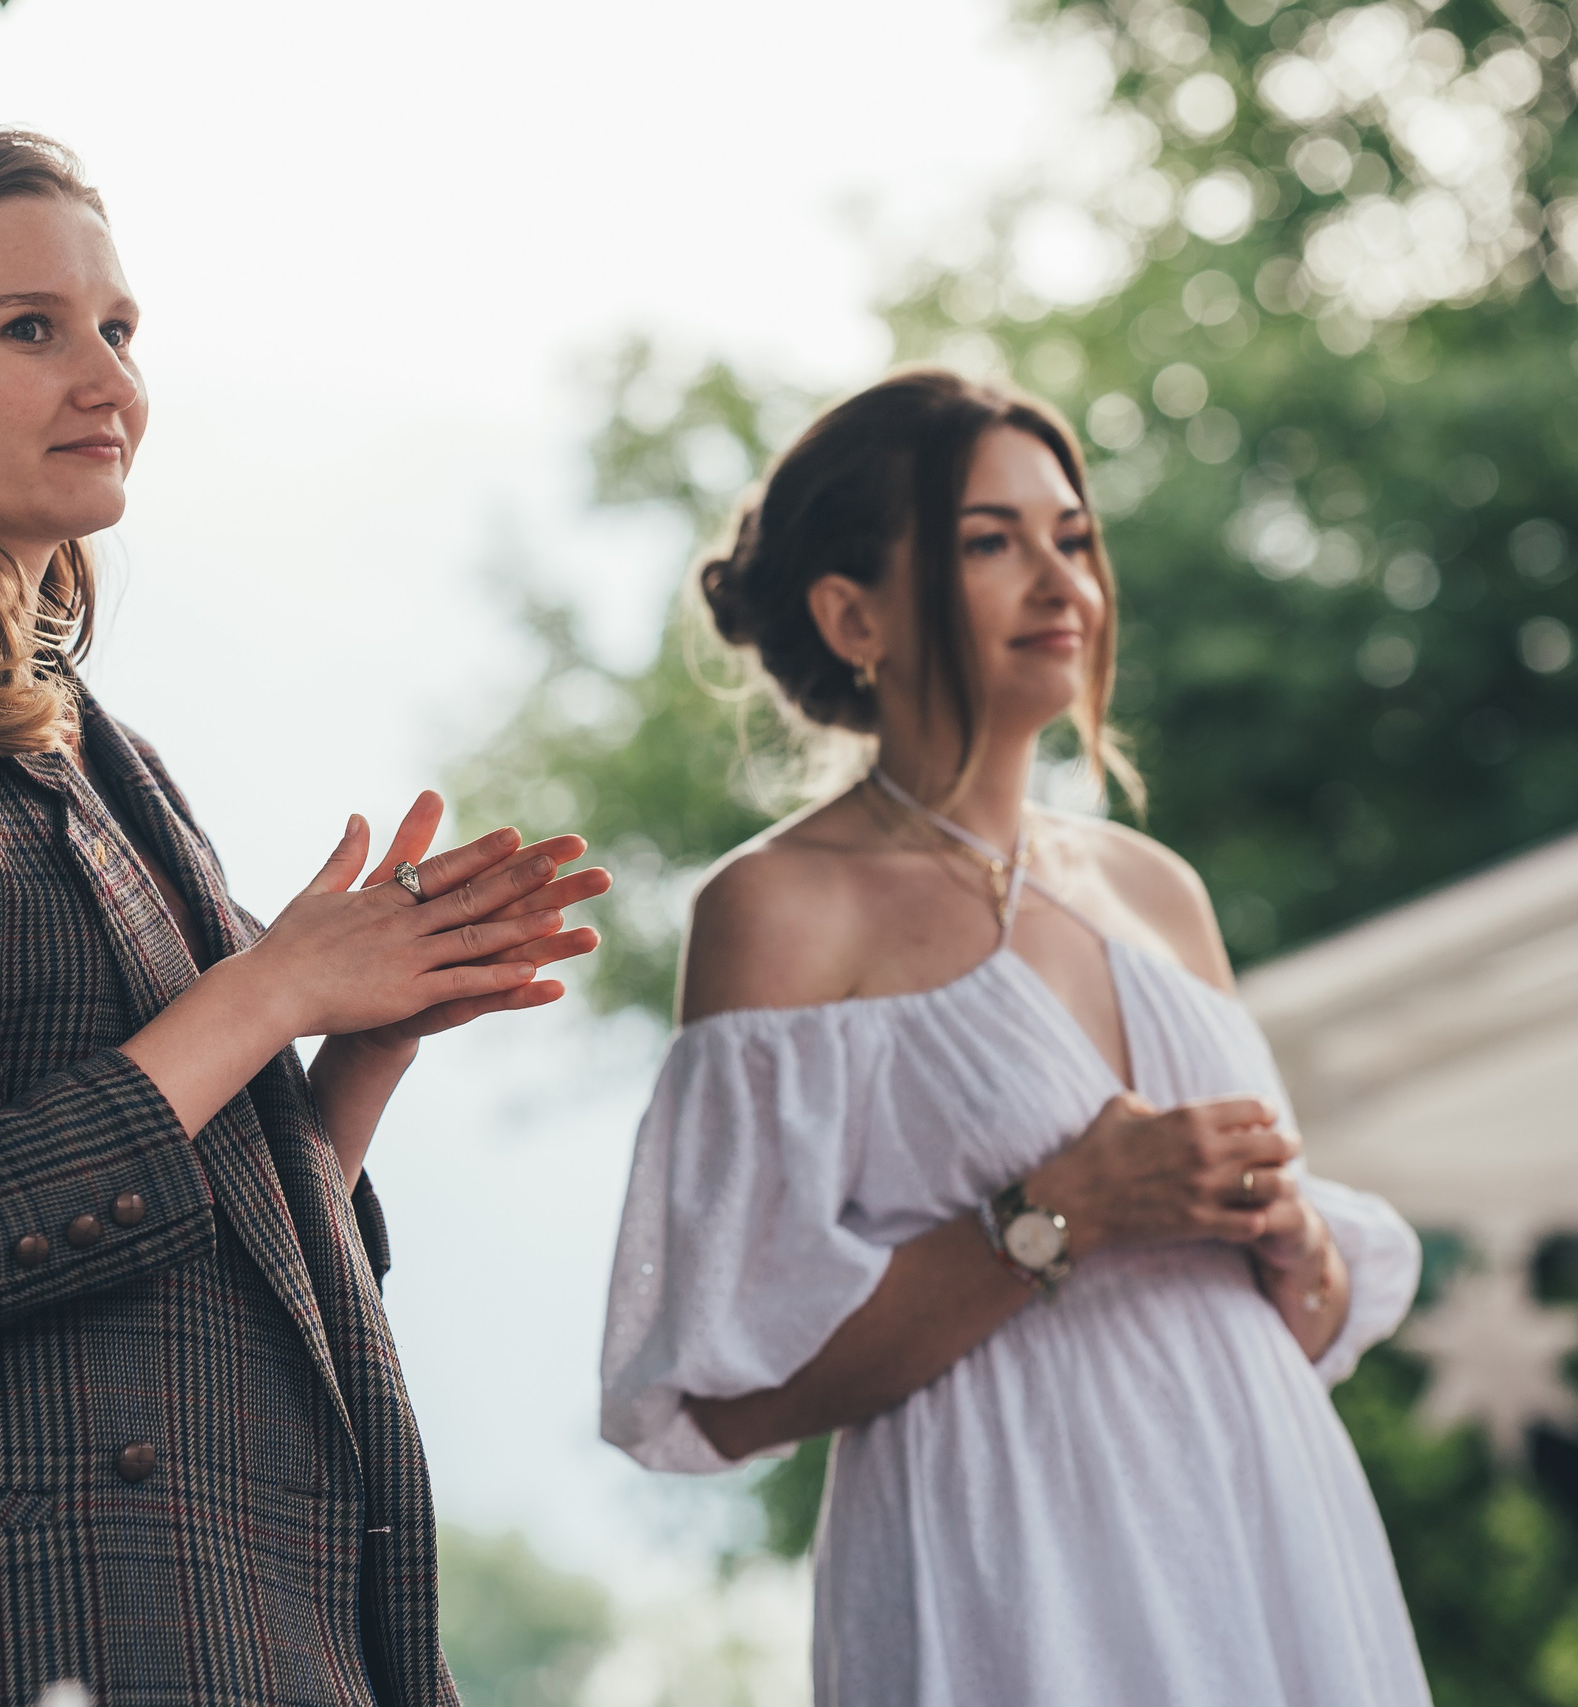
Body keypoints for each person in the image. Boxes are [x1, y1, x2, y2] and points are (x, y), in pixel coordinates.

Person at [0, 131, 605, 1706]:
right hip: (27, 1643)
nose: (107, 380)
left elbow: (201, 1255)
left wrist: (359, 1048)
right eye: (30, 329)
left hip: (269, 1625)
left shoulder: (109, 757)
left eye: (119, 330)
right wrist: (270, 990)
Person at [598, 368, 1429, 1704]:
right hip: (1012, 1556)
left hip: (1270, 1525)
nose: (1062, 581)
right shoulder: (778, 910)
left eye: (1073, 537)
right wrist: (1053, 1215)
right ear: (851, 613)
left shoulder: (1160, 892)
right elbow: (726, 1391)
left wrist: (1294, 1235)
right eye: (992, 540)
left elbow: (1310, 1317)